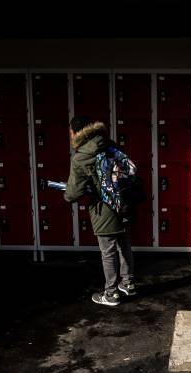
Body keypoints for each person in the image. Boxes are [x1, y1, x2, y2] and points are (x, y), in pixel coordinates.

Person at [64, 116, 136, 306]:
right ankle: (128, 283)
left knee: (108, 251)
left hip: (104, 209)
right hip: (124, 204)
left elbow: (73, 193)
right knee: (124, 244)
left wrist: (67, 193)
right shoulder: (109, 144)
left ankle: (111, 293)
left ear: (76, 132)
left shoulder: (80, 157)